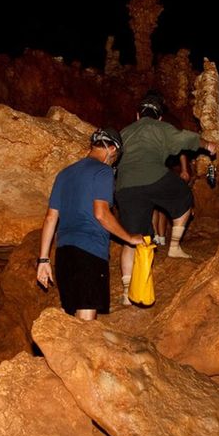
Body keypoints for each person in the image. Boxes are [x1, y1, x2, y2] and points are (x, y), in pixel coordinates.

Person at [36, 127, 145, 319]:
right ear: (112, 149)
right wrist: (129, 238)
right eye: (115, 156)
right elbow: (101, 214)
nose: (113, 161)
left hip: (64, 255)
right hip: (89, 251)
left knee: (73, 319)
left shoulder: (64, 174)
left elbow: (50, 218)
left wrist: (44, 259)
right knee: (85, 322)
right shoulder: (103, 172)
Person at [116, 92, 216, 294]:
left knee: (132, 238)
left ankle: (127, 291)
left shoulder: (124, 132)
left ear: (137, 115)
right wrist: (207, 145)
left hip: (125, 186)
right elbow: (185, 139)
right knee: (184, 196)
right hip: (153, 176)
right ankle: (174, 246)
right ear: (159, 117)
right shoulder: (160, 127)